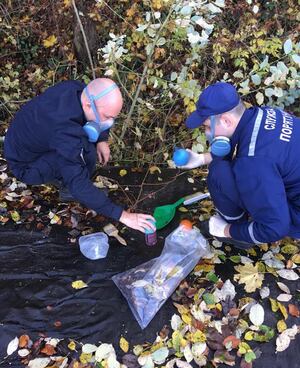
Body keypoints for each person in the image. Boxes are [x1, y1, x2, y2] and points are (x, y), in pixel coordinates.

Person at [4, 78, 155, 233]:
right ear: (88, 105)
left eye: (113, 118)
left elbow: (93, 114)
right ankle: (65, 187)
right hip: (26, 165)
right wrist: (123, 216)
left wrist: (102, 139)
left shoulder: (75, 89)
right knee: (85, 153)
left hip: (23, 141)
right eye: (108, 117)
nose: (110, 123)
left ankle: (65, 172)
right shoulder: (67, 135)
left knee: (86, 143)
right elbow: (79, 183)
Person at [183, 81, 300, 247]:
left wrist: (225, 230)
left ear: (226, 121)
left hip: (293, 215)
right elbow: (243, 143)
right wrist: (202, 158)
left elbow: (275, 228)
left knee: (219, 173)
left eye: (207, 127)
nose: (207, 132)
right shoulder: (264, 114)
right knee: (230, 166)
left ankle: (239, 235)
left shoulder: (252, 163)